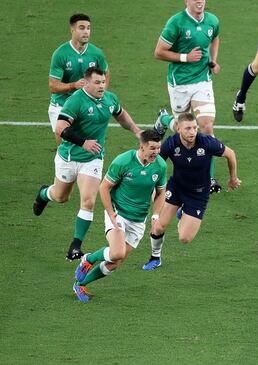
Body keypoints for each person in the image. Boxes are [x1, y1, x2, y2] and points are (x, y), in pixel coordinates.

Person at [33, 67, 141, 260]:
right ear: (86, 83)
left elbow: (121, 114)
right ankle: (44, 194)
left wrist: (136, 131)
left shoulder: (110, 99)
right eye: (97, 82)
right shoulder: (75, 101)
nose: (102, 86)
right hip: (69, 156)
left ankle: (75, 245)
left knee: (89, 201)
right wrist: (83, 142)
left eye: (103, 82)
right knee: (60, 196)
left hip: (92, 159)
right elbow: (60, 128)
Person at [72, 130, 167, 302]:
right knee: (117, 252)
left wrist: (155, 216)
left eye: (159, 148)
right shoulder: (124, 161)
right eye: (152, 148)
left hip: (139, 220)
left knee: (114, 263)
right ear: (142, 147)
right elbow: (104, 187)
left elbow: (161, 192)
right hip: (118, 213)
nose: (156, 152)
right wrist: (110, 213)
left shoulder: (160, 165)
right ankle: (88, 259)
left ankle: (80, 284)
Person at [142, 113, 241, 271]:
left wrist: (233, 178)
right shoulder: (171, 144)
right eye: (188, 128)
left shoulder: (207, 142)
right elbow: (156, 163)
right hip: (176, 188)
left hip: (198, 194)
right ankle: (155, 257)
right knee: (159, 227)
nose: (192, 132)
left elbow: (230, 154)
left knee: (184, 238)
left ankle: (183, 212)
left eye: (195, 128)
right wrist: (155, 186)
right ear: (179, 129)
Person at [154, 0, 222, 191]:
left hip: (202, 81)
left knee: (206, 127)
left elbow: (215, 37)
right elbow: (159, 52)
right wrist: (185, 57)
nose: (199, 1)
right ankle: (164, 119)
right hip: (180, 84)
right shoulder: (176, 23)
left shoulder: (212, 20)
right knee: (182, 130)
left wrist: (213, 60)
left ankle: (209, 178)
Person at [48, 13, 109, 148]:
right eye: (82, 28)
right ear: (72, 30)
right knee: (64, 148)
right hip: (61, 105)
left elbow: (105, 73)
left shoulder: (96, 53)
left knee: (85, 148)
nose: (86, 31)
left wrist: (101, 93)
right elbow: (53, 86)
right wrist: (73, 85)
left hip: (85, 105)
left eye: (88, 28)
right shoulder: (61, 54)